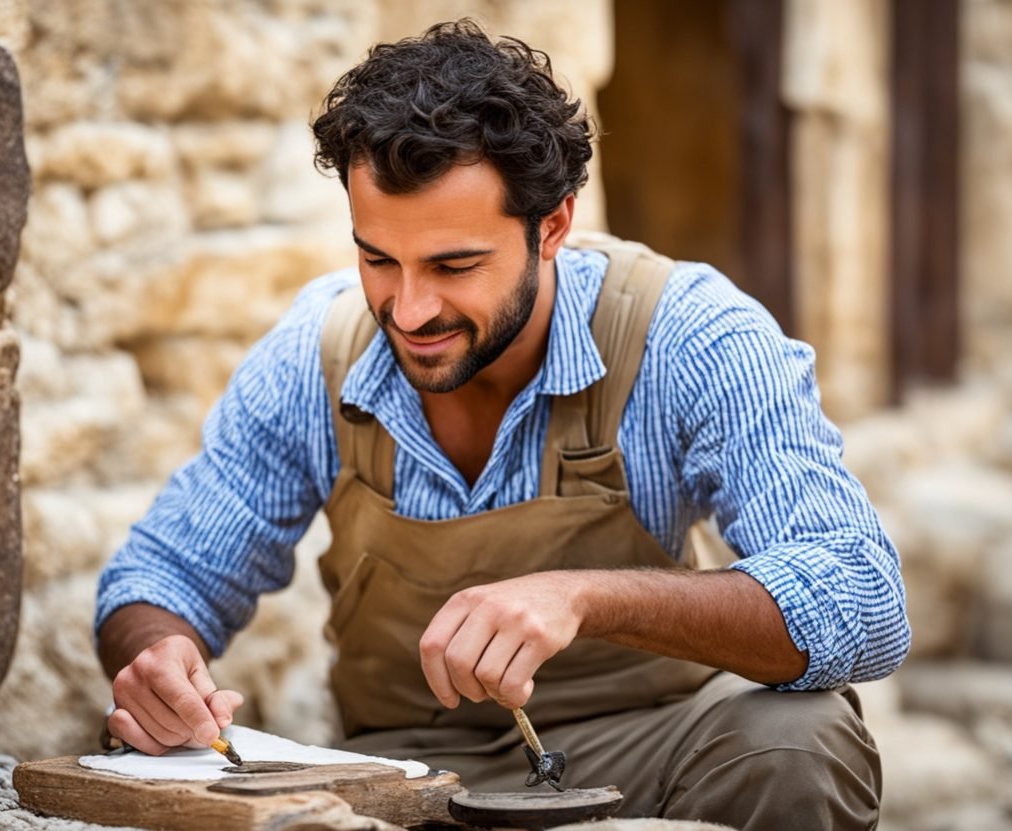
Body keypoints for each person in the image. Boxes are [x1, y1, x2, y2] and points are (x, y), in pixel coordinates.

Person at [95, 19, 908, 828]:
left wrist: (585, 596)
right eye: (378, 259)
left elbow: (861, 601)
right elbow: (156, 580)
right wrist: (155, 660)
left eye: (454, 265)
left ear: (551, 224)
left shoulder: (689, 335)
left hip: (648, 747)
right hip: (413, 772)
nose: (408, 310)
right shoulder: (317, 352)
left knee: (803, 742)